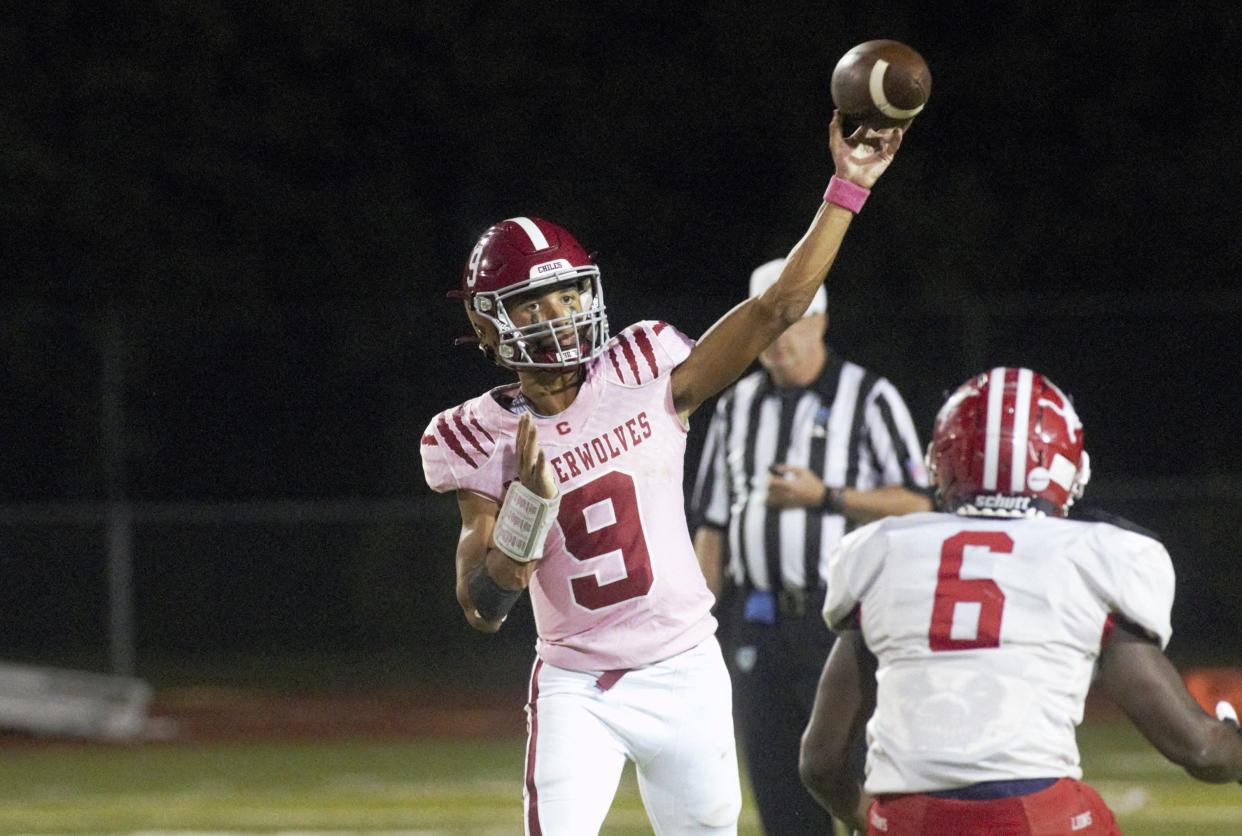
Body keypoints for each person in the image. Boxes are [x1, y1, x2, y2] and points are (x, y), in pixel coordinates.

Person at [419, 111, 905, 836]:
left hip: (685, 670)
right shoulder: (475, 434)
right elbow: (483, 606)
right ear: (491, 325)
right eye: (533, 302)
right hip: (576, 686)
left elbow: (778, 308)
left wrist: (846, 188)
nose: (560, 314)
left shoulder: (646, 366)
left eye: (569, 293)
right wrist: (524, 513)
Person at [798, 367, 1242, 835]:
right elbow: (1201, 750)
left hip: (909, 819)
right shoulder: (1095, 555)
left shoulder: (884, 552)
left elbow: (820, 763)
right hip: (1034, 817)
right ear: (1066, 468)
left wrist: (871, 819)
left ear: (941, 462)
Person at [689, 258, 931, 835]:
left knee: (858, 783)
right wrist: (693, 629)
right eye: (766, 323)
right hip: (756, 624)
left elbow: (920, 503)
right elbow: (713, 526)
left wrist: (828, 498)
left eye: (789, 319)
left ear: (819, 320)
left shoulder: (869, 397)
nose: (776, 337)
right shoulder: (734, 406)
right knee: (779, 795)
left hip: (841, 625)